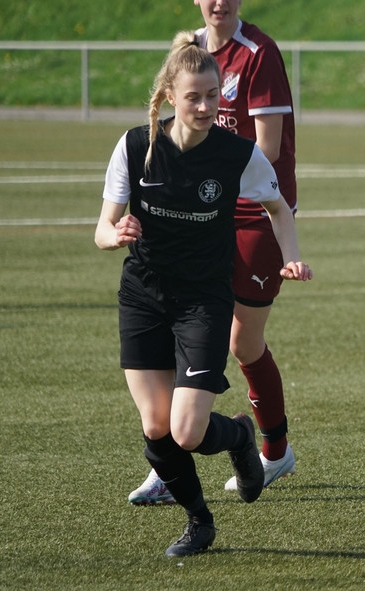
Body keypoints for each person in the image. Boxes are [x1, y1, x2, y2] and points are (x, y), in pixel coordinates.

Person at [96, 31, 311, 556]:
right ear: (170, 95)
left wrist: (291, 255)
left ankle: (238, 436)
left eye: (213, 95)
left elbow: (279, 208)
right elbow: (102, 227)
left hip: (203, 301)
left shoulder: (237, 155)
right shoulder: (135, 146)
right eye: (193, 96)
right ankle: (199, 521)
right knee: (156, 427)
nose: (205, 106)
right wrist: (115, 233)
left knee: (187, 431)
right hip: (144, 296)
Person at [128, 0, 300, 505]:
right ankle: (168, 461)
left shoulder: (259, 53)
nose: (219, 2)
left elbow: (268, 148)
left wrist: (206, 171)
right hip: (202, 207)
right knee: (174, 318)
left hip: (253, 212)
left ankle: (275, 451)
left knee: (243, 342)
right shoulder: (190, 50)